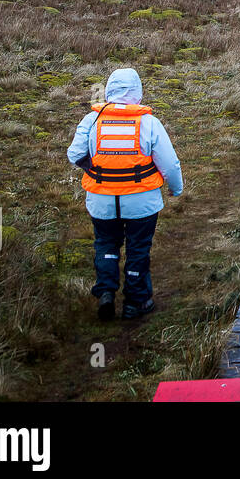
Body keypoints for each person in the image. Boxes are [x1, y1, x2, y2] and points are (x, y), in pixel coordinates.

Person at [66, 68, 182, 321]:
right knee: (138, 249)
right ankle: (136, 303)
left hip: (101, 201)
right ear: (138, 93)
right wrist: (176, 189)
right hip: (142, 201)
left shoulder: (91, 121)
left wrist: (96, 169)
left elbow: (74, 155)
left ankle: (106, 292)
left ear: (108, 92)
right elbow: (170, 164)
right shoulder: (149, 123)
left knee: (106, 244)